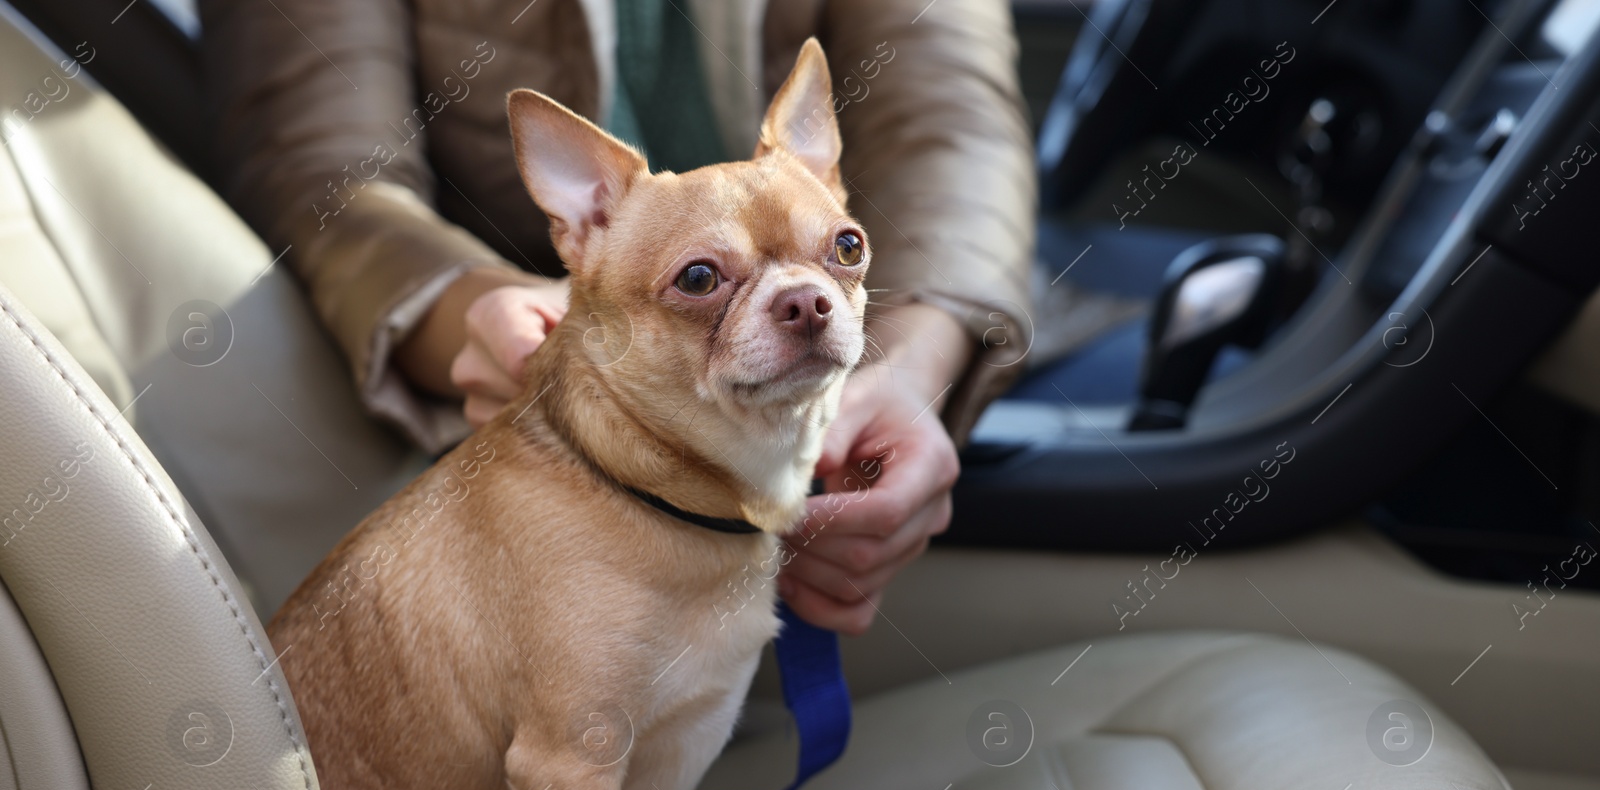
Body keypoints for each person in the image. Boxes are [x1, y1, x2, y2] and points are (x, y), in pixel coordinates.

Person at [200, 0, 1035, 635]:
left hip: (799, 448)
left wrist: (913, 368)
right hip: (526, 461)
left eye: (843, 252)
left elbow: (952, 119)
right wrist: (481, 315)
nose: (808, 294)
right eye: (704, 276)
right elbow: (330, 175)